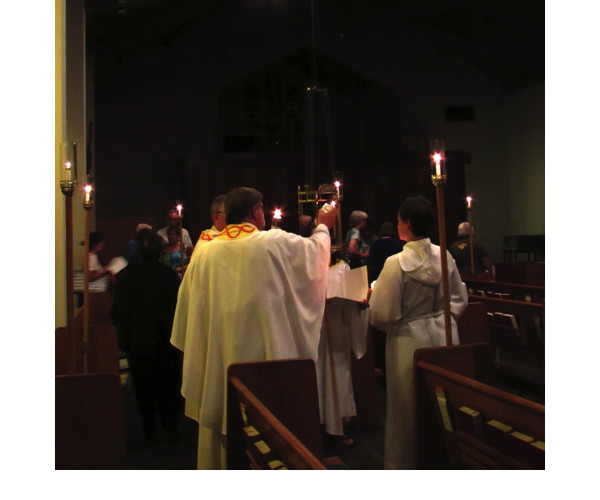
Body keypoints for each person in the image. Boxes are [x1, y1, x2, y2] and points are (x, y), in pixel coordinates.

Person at [170, 186, 338, 469]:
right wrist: (323, 226)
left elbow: (186, 307)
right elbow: (314, 255)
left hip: (219, 358)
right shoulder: (271, 242)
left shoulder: (205, 250)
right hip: (263, 358)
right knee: (265, 430)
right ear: (257, 211)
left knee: (222, 420)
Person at [369, 195, 468, 469]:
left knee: (408, 408)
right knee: (443, 403)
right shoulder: (444, 255)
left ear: (407, 223)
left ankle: (407, 465)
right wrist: (444, 317)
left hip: (409, 340)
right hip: (445, 333)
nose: (398, 223)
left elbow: (383, 314)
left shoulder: (396, 263)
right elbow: (459, 298)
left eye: (400, 219)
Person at [111, 229, 183, 442]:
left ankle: (148, 430)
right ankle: (171, 429)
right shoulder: (169, 276)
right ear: (161, 252)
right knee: (169, 388)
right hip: (166, 343)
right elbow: (179, 309)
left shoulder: (127, 278)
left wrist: (125, 341)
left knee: (144, 391)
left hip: (138, 344)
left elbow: (118, 312)